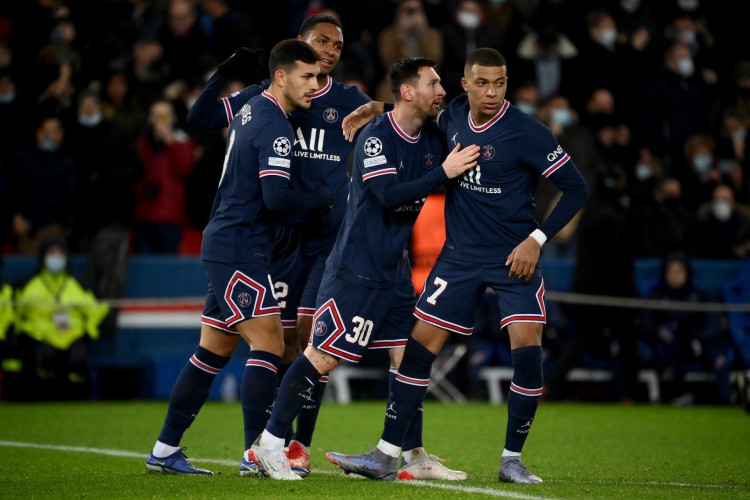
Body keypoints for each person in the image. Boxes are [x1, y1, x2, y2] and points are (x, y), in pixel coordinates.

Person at [328, 47, 589, 484]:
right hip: (460, 258)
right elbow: (411, 109)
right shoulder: (449, 118)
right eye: (483, 82)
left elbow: (577, 189)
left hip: (514, 257)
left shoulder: (528, 132)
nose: (492, 91)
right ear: (465, 84)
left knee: (527, 354)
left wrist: (536, 239)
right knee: (417, 350)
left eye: (500, 82)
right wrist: (376, 107)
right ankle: (386, 455)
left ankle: (512, 459)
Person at [247, 56, 480, 481]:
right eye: (433, 83)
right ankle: (270, 443)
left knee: (406, 359)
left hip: (394, 269)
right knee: (320, 357)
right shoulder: (376, 139)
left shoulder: (430, 135)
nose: (442, 91)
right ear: (408, 91)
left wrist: (379, 104)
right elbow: (389, 195)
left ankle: (413, 457)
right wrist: (440, 173)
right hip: (356, 268)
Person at [186, 14, 393, 476]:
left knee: (310, 339)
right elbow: (199, 117)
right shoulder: (268, 95)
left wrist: (377, 108)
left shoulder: (349, 101)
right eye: (322, 40)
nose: (331, 49)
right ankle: (261, 445)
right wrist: (223, 72)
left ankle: (297, 444)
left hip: (325, 243)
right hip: (276, 239)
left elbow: (408, 115)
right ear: (299, 44)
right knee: (275, 348)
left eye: (338, 44)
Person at [145, 38, 332, 476]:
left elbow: (198, 116)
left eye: (318, 76)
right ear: (281, 76)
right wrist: (321, 197)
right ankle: (256, 454)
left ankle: (164, 449)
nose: (315, 85)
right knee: (270, 343)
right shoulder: (275, 126)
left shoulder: (250, 104)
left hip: (229, 240)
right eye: (307, 76)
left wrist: (223, 70)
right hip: (240, 246)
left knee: (213, 350)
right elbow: (277, 199)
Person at [13, 235, 110, 400]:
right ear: (43, 256)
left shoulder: (78, 283)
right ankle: (44, 397)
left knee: (78, 359)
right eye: (51, 253)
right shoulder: (28, 283)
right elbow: (15, 312)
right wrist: (23, 331)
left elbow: (98, 309)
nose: (55, 258)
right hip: (40, 336)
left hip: (72, 335)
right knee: (45, 356)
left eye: (60, 253)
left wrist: (88, 330)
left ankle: (75, 398)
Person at [133, 98, 196, 254]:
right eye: (156, 116)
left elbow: (185, 169)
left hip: (170, 216)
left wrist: (169, 140)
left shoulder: (182, 141)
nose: (160, 121)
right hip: (144, 214)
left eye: (165, 116)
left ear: (173, 118)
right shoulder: (141, 143)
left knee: (167, 266)